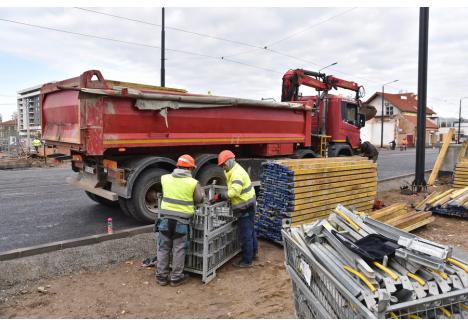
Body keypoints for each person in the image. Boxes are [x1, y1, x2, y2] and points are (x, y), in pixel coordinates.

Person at [156, 154, 205, 287]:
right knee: (179, 249)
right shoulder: (193, 183)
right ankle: (176, 278)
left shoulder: (164, 178)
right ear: (189, 168)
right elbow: (200, 199)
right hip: (181, 222)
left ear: (177, 166)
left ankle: (161, 276)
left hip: (165, 220)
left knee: (163, 248)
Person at [217, 150, 258, 268]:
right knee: (250, 230)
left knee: (246, 233)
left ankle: (247, 260)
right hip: (248, 202)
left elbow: (234, 191)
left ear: (229, 162)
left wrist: (221, 196)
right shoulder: (230, 170)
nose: (222, 167)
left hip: (245, 205)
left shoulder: (237, 173)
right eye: (221, 165)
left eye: (223, 164)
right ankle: (253, 252)